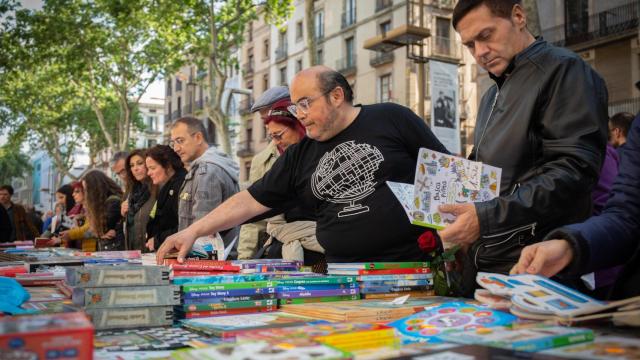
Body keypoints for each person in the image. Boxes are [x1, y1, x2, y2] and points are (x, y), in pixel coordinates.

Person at [156, 66, 448, 264]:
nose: (300, 114)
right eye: (295, 107)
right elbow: (250, 200)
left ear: (336, 96)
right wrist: (193, 231)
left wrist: (455, 239)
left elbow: (447, 172)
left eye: (305, 103)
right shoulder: (300, 153)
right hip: (339, 275)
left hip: (411, 271)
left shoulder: (392, 118)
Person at [437, 0, 608, 295]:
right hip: (486, 270)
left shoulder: (565, 70)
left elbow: (574, 171)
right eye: (469, 45)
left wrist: (485, 217)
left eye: (486, 35)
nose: (479, 52)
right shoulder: (491, 95)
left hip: (539, 271)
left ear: (518, 16)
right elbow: (486, 177)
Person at [511, 116, 640, 300]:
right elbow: (625, 214)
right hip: (579, 256)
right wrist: (569, 245)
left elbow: (609, 205)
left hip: (599, 271)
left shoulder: (592, 156)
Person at [247, 100, 325, 267]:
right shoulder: (266, 161)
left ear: (300, 126)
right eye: (271, 136)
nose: (275, 142)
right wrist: (245, 259)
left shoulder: (324, 156)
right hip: (281, 250)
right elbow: (253, 216)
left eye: (279, 135)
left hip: (321, 256)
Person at [170, 117, 240, 250]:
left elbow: (204, 233)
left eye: (180, 141)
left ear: (198, 138)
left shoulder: (207, 171)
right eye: (173, 142)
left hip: (207, 262)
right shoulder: (204, 168)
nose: (176, 148)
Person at [238, 87, 291, 260]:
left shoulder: (316, 148)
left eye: (275, 115)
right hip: (278, 253)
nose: (269, 124)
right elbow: (253, 218)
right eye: (265, 119)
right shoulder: (261, 160)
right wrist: (244, 260)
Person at [145, 145, 187, 252]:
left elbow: (185, 225)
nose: (148, 173)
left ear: (168, 166)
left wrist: (158, 240)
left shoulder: (182, 185)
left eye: (152, 168)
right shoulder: (167, 185)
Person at [121, 149, 156, 251]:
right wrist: (123, 214)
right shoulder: (130, 193)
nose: (135, 168)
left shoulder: (158, 189)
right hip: (132, 252)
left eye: (139, 163)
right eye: (132, 165)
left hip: (151, 253)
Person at [81, 170, 124, 251]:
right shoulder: (106, 202)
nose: (86, 193)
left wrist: (98, 233)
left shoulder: (113, 202)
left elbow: (103, 228)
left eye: (87, 189)